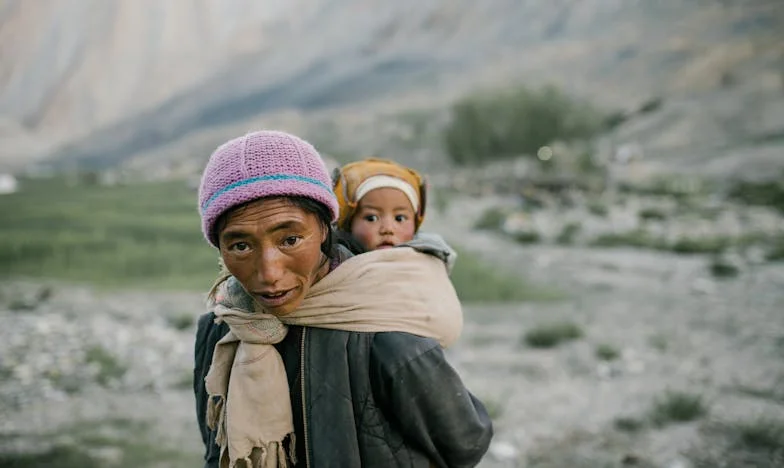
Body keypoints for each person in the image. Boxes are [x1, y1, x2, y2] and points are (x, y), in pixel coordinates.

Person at [193, 130, 492, 468]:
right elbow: (215, 452)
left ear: (325, 227)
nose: (269, 273)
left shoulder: (384, 332)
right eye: (241, 246)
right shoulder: (220, 332)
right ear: (219, 246)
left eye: (290, 239)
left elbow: (466, 442)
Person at [333, 157, 457, 272]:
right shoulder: (334, 268)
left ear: (415, 223)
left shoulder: (430, 264)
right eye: (372, 218)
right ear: (349, 223)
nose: (388, 229)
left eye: (399, 218)